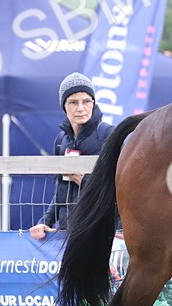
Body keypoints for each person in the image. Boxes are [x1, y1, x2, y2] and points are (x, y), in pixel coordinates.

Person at [29, 73, 114, 240]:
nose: (81, 108)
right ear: (64, 106)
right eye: (73, 102)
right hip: (66, 233)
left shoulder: (108, 134)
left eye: (86, 101)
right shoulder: (61, 141)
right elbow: (60, 190)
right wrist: (45, 220)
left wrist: (83, 180)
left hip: (100, 231)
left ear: (94, 103)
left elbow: (117, 188)